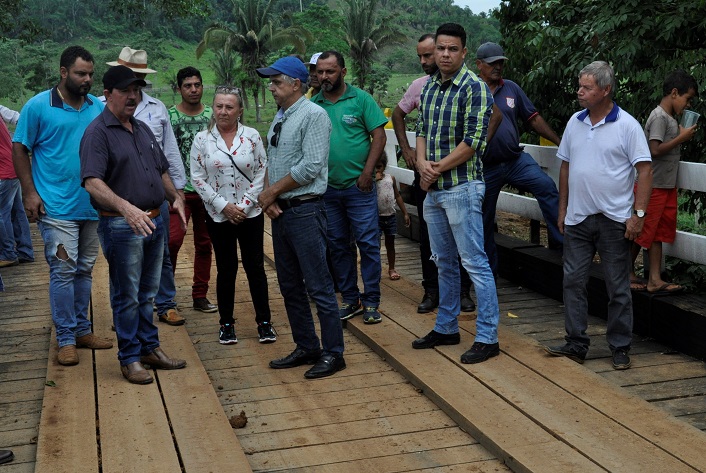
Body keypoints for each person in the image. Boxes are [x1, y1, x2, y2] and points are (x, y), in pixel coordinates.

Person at [80, 65, 187, 384]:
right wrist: (127, 208)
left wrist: (175, 197)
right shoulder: (97, 132)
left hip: (155, 221)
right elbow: (91, 181)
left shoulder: (140, 127)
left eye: (136, 90)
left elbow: (160, 169)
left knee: (148, 291)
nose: (133, 96)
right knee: (127, 293)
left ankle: (149, 348)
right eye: (126, 90)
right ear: (108, 94)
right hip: (122, 226)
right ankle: (129, 357)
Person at [544, 61, 653, 370]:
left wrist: (638, 214)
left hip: (613, 219)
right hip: (578, 218)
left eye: (587, 87)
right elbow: (565, 166)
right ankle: (576, 343)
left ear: (606, 90)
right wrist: (562, 208)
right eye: (580, 85)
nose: (580, 91)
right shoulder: (575, 122)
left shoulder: (627, 126)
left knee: (617, 286)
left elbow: (644, 171)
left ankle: (620, 346)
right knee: (572, 281)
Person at [13, 46, 112, 366]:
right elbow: (20, 147)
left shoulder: (97, 105)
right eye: (81, 73)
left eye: (90, 74)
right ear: (63, 72)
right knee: (63, 270)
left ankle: (82, 330)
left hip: (91, 205)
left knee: (84, 270)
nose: (87, 80)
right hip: (55, 207)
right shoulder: (38, 106)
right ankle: (66, 338)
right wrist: (29, 192)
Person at [412, 23, 501, 364]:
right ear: (434, 52)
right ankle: (447, 327)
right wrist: (421, 165)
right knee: (444, 262)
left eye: (452, 49)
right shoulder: (430, 87)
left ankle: (487, 336)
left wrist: (435, 168)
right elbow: (421, 130)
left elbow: (474, 141)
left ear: (464, 53)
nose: (445, 54)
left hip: (462, 188)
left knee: (474, 262)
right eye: (441, 49)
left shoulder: (475, 88)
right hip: (433, 190)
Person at [255, 56, 346, 379]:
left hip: (307, 211)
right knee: (290, 285)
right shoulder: (281, 116)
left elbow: (310, 167)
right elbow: (272, 160)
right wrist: (269, 197)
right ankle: (307, 345)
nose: (272, 88)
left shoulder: (314, 115)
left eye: (277, 82)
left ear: (296, 84)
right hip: (283, 212)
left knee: (319, 286)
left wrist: (271, 193)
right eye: (271, 82)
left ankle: (334, 352)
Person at [392, 33, 476, 313]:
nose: (426, 61)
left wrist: (475, 150)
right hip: (425, 172)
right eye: (423, 56)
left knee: (461, 235)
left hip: (457, 176)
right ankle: (431, 290)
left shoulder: (467, 86)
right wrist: (409, 152)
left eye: (430, 54)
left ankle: (463, 292)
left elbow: (481, 128)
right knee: (430, 235)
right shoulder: (420, 87)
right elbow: (399, 115)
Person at [106, 47, 189, 326]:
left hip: (157, 195)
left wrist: (177, 192)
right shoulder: (103, 108)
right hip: (123, 200)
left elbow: (168, 153)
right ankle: (128, 317)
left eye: (136, 79)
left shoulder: (156, 108)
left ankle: (165, 303)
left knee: (161, 251)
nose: (131, 89)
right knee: (125, 263)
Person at [190, 86, 276, 345]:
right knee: (226, 269)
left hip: (250, 215)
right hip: (218, 216)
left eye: (229, 107)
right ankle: (226, 324)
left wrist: (246, 205)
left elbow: (262, 168)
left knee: (255, 268)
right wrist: (224, 206)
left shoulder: (251, 137)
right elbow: (197, 177)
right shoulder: (202, 140)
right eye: (219, 106)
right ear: (212, 108)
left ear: (239, 110)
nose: (223, 112)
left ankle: (264, 322)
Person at [312, 50, 388, 324]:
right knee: (338, 246)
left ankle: (371, 301)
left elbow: (378, 135)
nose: (324, 77)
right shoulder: (315, 103)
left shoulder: (361, 99)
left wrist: (368, 173)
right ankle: (350, 298)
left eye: (330, 71)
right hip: (328, 189)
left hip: (360, 187)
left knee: (367, 244)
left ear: (343, 72)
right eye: (320, 72)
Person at [475, 42, 564, 275]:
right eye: (492, 63)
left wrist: (560, 141)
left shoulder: (512, 89)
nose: (498, 67)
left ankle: (561, 244)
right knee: (485, 218)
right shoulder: (472, 89)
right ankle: (489, 275)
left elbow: (533, 119)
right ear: (479, 65)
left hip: (515, 160)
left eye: (500, 63)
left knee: (546, 186)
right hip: (486, 167)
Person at [629, 70, 698, 295]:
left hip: (666, 186)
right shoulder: (658, 116)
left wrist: (679, 133)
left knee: (657, 233)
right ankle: (625, 272)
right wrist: (681, 137)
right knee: (642, 232)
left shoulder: (669, 119)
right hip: (654, 186)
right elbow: (654, 150)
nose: (686, 105)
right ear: (674, 93)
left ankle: (654, 279)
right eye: (686, 99)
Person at [169, 67, 218, 313]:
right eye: (187, 85)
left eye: (197, 84)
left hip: (208, 192)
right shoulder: (169, 117)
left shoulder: (213, 115)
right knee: (173, 241)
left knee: (204, 244)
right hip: (179, 192)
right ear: (179, 89)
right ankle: (167, 297)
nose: (193, 89)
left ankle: (200, 294)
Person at [1, 105, 34, 268]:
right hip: (13, 167)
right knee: (17, 211)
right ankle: (25, 251)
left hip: (3, 172)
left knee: (1, 214)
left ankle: (7, 253)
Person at [375, 151, 410, 281]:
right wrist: (373, 180)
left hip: (390, 215)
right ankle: (375, 269)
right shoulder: (371, 181)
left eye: (379, 167)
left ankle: (391, 268)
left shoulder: (391, 179)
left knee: (390, 243)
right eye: (374, 167)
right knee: (375, 245)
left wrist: (405, 213)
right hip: (376, 217)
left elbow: (397, 196)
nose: (377, 170)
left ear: (384, 166)